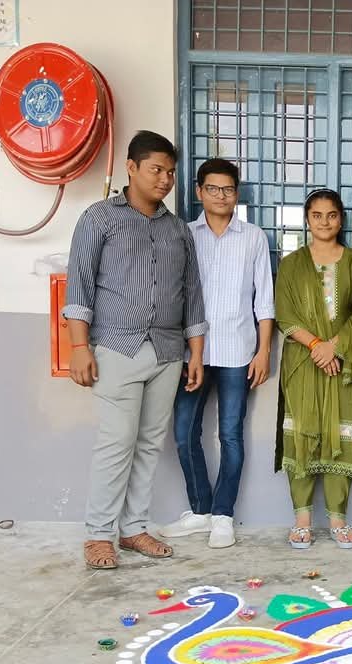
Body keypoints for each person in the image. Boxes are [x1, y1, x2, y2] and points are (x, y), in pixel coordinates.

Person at [64, 130, 207, 569]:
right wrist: (79, 346)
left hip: (167, 351)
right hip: (115, 347)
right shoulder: (99, 219)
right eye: (156, 170)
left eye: (170, 172)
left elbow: (192, 295)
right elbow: (79, 284)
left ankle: (133, 528)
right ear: (131, 167)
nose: (165, 179)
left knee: (148, 445)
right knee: (116, 443)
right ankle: (98, 534)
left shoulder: (178, 230)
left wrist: (195, 353)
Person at [158, 158, 275, 549]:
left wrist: (263, 351)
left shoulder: (253, 237)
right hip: (192, 352)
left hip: (238, 352)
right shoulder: (184, 234)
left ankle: (223, 515)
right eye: (212, 188)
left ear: (236, 194)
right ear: (199, 192)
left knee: (230, 435)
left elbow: (264, 300)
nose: (220, 196)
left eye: (227, 189)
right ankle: (201, 510)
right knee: (183, 433)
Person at [274, 189, 352, 550]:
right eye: (317, 215)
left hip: (344, 365)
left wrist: (335, 347)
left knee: (340, 435)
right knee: (302, 434)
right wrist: (317, 345)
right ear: (307, 219)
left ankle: (337, 519)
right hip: (303, 362)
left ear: (341, 219)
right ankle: (302, 520)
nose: (324, 222)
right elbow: (285, 314)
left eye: (331, 215)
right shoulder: (291, 264)